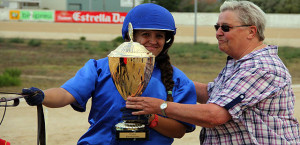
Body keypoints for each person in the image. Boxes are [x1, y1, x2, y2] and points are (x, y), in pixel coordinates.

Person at [125, 1, 300, 144]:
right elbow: (212, 94)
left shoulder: (260, 67)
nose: (218, 33)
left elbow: (214, 115)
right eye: (217, 26)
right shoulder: (239, 63)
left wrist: (160, 106)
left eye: (225, 27)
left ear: (251, 31)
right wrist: (165, 77)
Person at [21, 3, 196, 145]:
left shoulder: (178, 80)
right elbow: (66, 93)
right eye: (145, 34)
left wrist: (150, 118)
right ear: (131, 36)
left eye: (159, 36)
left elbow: (179, 131)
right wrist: (42, 96)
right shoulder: (100, 68)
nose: (152, 40)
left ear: (167, 41)